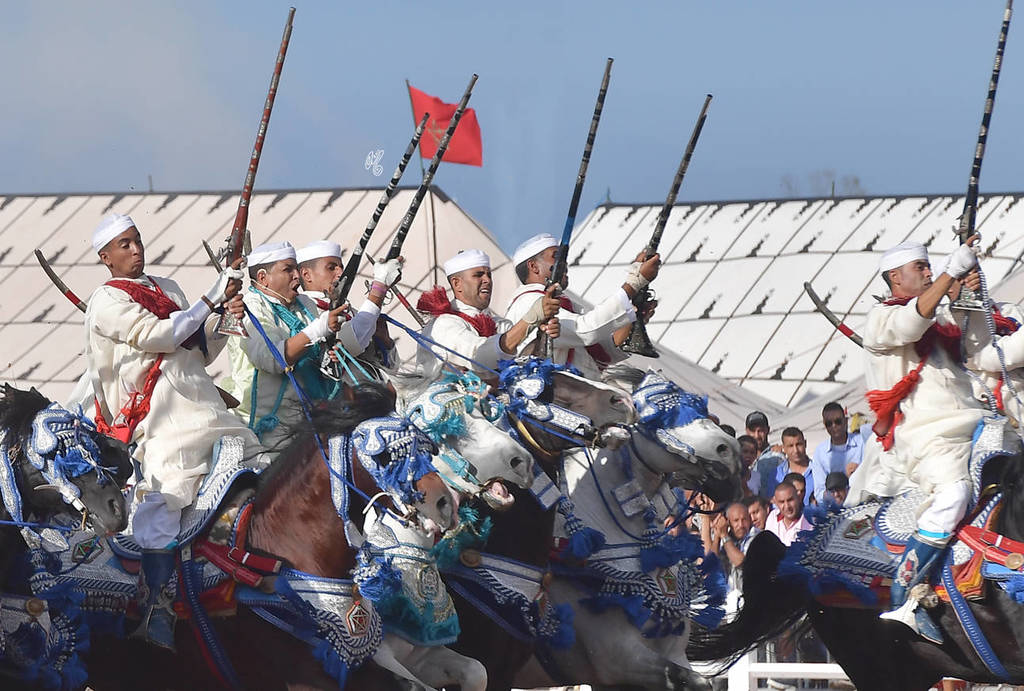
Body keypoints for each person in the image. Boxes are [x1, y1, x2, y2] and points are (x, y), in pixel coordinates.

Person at [85, 213, 268, 650]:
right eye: (124, 245)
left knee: (267, 475)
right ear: (104, 257)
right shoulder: (106, 300)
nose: (135, 249)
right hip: (161, 419)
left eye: (137, 241)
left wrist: (224, 315)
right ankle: (156, 607)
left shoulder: (167, 287)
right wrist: (211, 297)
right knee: (162, 500)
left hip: (206, 406)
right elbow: (162, 335)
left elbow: (197, 349)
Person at [864, 238, 985, 642]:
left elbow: (982, 351)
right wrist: (951, 271)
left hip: (979, 425)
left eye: (931, 267)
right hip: (930, 438)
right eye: (922, 267)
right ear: (895, 277)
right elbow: (910, 323)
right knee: (954, 494)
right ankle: (904, 593)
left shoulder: (943, 318)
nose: (929, 272)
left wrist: (969, 292)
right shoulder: (880, 319)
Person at [222, 241, 400, 454]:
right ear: (263, 278)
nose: (296, 276)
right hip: (267, 433)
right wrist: (321, 327)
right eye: (288, 270)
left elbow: (339, 348)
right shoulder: (249, 307)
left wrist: (329, 356)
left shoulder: (303, 305)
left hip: (313, 425)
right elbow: (273, 358)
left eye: (295, 269)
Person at [503, 233, 660, 379]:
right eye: (556, 256)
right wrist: (634, 281)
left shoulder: (566, 303)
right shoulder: (528, 301)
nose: (564, 263)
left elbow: (604, 350)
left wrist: (634, 312)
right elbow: (585, 331)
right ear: (533, 266)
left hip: (581, 398)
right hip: (554, 402)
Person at [416, 249, 560, 378]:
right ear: (457, 283)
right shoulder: (443, 324)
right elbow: (478, 356)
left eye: (489, 275)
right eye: (478, 275)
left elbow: (520, 362)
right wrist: (531, 318)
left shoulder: (500, 324)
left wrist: (541, 336)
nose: (487, 280)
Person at [296, 239, 399, 377]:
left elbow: (392, 369)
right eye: (331, 267)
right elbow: (351, 342)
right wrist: (379, 288)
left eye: (341, 267)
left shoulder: (350, 311)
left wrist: (385, 342)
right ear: (306, 275)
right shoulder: (302, 310)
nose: (340, 273)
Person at [811, 402, 866, 480]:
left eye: (838, 421)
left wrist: (860, 472)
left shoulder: (862, 443)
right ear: (824, 424)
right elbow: (820, 489)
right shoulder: (820, 452)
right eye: (829, 423)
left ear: (845, 420)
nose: (834, 426)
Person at [747, 411, 786, 499]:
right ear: (747, 431)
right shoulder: (740, 457)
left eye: (760, 431)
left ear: (768, 430)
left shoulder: (776, 457)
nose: (757, 435)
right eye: (753, 431)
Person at [774, 427, 815, 505]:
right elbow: (774, 504)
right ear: (783, 448)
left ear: (805, 443)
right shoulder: (776, 475)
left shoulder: (818, 470)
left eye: (799, 444)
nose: (796, 450)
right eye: (790, 446)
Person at [765, 481, 811, 547]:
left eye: (790, 500)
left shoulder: (809, 521)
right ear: (775, 502)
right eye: (782, 502)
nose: (787, 506)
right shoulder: (772, 517)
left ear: (798, 498)